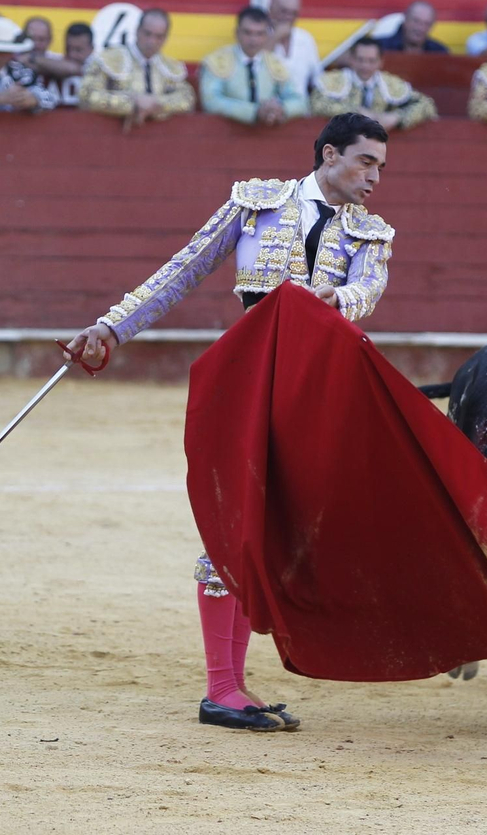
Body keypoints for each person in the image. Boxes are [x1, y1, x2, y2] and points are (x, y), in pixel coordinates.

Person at [61, 111, 395, 733]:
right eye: (365, 161)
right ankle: (221, 689)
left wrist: (337, 300)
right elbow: (183, 269)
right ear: (329, 154)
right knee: (233, 522)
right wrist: (112, 327)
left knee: (273, 533)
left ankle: (234, 684)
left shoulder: (372, 236)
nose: (375, 176)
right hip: (250, 379)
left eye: (380, 165)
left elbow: (367, 292)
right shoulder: (255, 203)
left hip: (314, 389)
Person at [79, 8, 196, 130]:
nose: (151, 41)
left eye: (159, 37)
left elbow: (187, 98)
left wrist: (155, 103)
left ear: (166, 38)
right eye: (147, 34)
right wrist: (132, 103)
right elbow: (86, 96)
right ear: (137, 31)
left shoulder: (171, 67)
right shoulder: (109, 58)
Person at [199, 6, 308, 126]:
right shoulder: (217, 61)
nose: (253, 39)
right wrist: (253, 112)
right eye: (247, 32)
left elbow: (300, 102)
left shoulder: (275, 63)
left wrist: (281, 109)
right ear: (237, 33)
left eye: (259, 34)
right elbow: (211, 101)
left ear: (267, 35)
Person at [311, 37, 438, 130]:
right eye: (360, 60)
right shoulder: (334, 80)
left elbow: (427, 105)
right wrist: (356, 112)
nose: (365, 66)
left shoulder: (390, 84)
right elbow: (316, 103)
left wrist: (396, 117)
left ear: (380, 62)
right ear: (351, 59)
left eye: (371, 61)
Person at [267, 0, 319, 97]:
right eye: (284, 11)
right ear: (271, 9)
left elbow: (316, 78)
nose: (288, 17)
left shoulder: (305, 38)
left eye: (293, 13)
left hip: (299, 109)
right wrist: (275, 37)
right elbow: (254, 66)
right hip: (266, 108)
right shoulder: (257, 35)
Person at [375, 1, 449, 55]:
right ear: (405, 20)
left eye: (426, 24)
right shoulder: (379, 47)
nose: (420, 28)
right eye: (416, 21)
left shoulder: (439, 52)